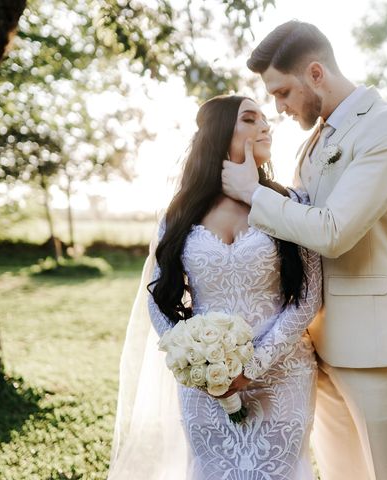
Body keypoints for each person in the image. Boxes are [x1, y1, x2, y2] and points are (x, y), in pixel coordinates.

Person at [222, 21, 387, 480]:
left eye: (282, 92)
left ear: (315, 73)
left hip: (379, 347)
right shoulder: (313, 143)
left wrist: (254, 194)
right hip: (317, 347)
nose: (278, 108)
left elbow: (335, 230)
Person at [108, 95, 322, 480]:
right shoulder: (179, 213)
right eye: (250, 119)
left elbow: (307, 299)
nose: (265, 126)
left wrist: (252, 366)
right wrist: (195, 364)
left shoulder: (291, 203)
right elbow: (158, 298)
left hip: (284, 374)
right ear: (220, 132)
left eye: (265, 119)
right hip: (207, 386)